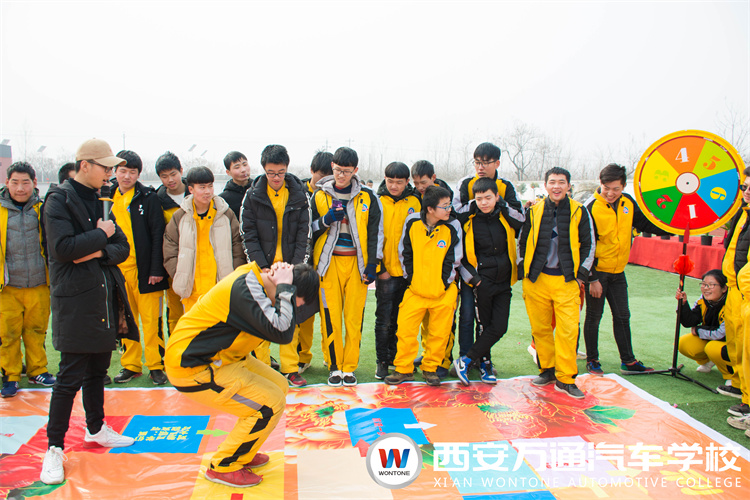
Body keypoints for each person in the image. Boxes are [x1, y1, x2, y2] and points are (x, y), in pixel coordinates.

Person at [165, 261, 319, 488]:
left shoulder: (258, 282)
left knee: (279, 386)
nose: (295, 311)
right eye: (297, 305)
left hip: (225, 357)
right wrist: (286, 289)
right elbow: (283, 332)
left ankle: (243, 448)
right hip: (192, 367)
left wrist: (284, 287)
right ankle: (224, 465)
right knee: (268, 405)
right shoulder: (247, 288)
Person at [40, 138, 138, 485]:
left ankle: (96, 428)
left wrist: (95, 249)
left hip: (103, 296)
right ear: (85, 165)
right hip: (75, 300)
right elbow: (63, 249)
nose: (110, 174)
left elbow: (122, 247)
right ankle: (54, 448)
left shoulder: (102, 200)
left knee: (98, 370)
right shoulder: (58, 200)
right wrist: (100, 234)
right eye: (105, 167)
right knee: (69, 378)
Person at [518, 167, 595, 399]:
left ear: (569, 186)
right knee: (540, 329)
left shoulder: (580, 211)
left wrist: (580, 276)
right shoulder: (534, 211)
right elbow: (522, 241)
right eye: (552, 182)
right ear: (546, 185)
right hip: (537, 280)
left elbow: (589, 245)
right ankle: (547, 370)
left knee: (568, 331)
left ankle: (566, 379)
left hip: (566, 281)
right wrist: (525, 271)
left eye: (561, 182)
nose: (557, 186)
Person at [583, 163, 666, 375]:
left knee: (622, 316)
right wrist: (592, 279)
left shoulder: (628, 202)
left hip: (618, 272)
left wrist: (671, 226)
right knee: (594, 316)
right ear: (600, 183)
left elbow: (645, 224)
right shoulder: (589, 207)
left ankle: (628, 361)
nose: (610, 193)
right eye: (606, 188)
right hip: (598, 273)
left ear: (623, 186)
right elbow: (584, 245)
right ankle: (592, 360)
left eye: (616, 189)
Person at [310, 146, 383, 386]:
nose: (341, 175)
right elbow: (309, 230)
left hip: (357, 265)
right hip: (328, 265)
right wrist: (327, 219)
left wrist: (372, 264)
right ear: (332, 166)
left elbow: (376, 233)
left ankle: (349, 367)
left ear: (355, 170)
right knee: (330, 317)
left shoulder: (368, 197)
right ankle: (334, 367)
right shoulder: (319, 195)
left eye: (347, 171)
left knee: (353, 318)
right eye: (338, 170)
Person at [241, 145, 310, 386]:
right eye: (271, 173)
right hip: (262, 268)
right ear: (264, 170)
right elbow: (247, 234)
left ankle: (290, 368)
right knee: (260, 318)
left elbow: (304, 234)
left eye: (280, 172)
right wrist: (261, 266)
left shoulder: (300, 195)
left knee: (290, 318)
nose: (276, 178)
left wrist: (294, 267)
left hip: (289, 267)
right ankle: (262, 368)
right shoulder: (252, 195)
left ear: (287, 169)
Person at [452, 143, 524, 371]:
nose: (480, 167)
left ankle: (480, 359)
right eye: (477, 162)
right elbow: (455, 215)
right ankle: (465, 358)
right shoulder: (465, 184)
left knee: (490, 321)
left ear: (497, 163)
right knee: (467, 316)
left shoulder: (506, 186)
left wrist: (499, 203)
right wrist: (475, 204)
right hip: (471, 266)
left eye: (485, 162)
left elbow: (520, 219)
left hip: (500, 270)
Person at [384, 186, 464, 386]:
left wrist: (444, 283)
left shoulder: (453, 225)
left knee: (439, 333)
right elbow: (405, 252)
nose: (449, 209)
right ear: (430, 208)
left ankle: (430, 369)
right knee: (405, 331)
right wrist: (411, 278)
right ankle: (403, 369)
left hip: (443, 291)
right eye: (444, 206)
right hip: (415, 290)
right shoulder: (412, 222)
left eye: (449, 205)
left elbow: (454, 258)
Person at [109, 150, 170, 385]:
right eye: (122, 171)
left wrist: (156, 269)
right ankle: (131, 365)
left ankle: (155, 365)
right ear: (115, 172)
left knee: (151, 321)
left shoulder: (148, 197)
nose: (127, 176)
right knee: (125, 320)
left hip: (145, 271)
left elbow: (157, 234)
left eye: (132, 172)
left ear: (138, 174)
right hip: (118, 271)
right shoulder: (106, 197)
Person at [1, 162, 56, 398]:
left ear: (34, 183)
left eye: (25, 182)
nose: (20, 188)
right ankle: (10, 375)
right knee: (8, 334)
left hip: (39, 283)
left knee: (37, 330)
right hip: (7, 286)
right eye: (15, 182)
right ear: (7, 183)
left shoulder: (43, 209)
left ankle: (37, 370)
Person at [163, 166, 245, 312]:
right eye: (202, 187)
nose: (207, 191)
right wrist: (179, 274)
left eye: (210, 186)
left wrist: (233, 274)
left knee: (221, 325)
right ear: (191, 189)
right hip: (192, 291)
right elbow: (170, 247)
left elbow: (238, 245)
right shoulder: (180, 216)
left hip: (221, 288)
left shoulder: (225, 214)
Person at [374, 162, 421, 380]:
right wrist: (379, 268)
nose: (394, 186)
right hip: (385, 272)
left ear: (407, 182)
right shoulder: (377, 201)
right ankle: (382, 361)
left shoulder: (415, 202)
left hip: (407, 273)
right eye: (390, 181)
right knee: (384, 320)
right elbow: (371, 236)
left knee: (403, 320)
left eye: (399, 182)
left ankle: (398, 358)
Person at [411, 160, 456, 377]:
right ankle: (427, 354)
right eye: (416, 183)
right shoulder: (414, 200)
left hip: (443, 279)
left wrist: (446, 279)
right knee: (423, 322)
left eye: (424, 182)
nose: (420, 187)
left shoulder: (447, 204)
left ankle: (442, 361)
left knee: (443, 325)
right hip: (420, 277)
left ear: (434, 178)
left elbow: (454, 251)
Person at [297, 151, 333, 372]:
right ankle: (303, 357)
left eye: (330, 176)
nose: (325, 181)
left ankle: (331, 356)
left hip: (328, 261)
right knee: (304, 313)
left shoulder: (335, 193)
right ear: (312, 170)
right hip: (304, 263)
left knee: (329, 311)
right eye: (321, 175)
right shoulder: (298, 193)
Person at [720, 169, 750, 419]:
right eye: (745, 187)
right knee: (735, 340)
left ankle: (748, 400)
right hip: (733, 286)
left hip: (745, 291)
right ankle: (739, 384)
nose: (747, 192)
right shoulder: (742, 212)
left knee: (746, 344)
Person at [155, 151, 189, 334]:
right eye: (164, 176)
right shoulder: (157, 201)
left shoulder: (196, 193)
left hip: (199, 263)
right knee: (175, 312)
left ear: (181, 171)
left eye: (173, 174)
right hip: (173, 265)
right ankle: (176, 349)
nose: (170, 180)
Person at [676, 270, 731, 378]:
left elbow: (721, 334)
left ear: (724, 288)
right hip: (713, 337)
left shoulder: (731, 303)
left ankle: (732, 376)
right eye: (704, 284)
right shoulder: (703, 300)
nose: (706, 288)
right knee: (684, 343)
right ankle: (708, 362)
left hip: (731, 342)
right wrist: (683, 304)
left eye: (711, 285)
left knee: (712, 348)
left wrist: (698, 330)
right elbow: (689, 322)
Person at [219, 151, 252, 219]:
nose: (243, 170)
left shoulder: (260, 189)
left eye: (245, 164)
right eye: (237, 167)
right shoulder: (223, 200)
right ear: (228, 172)